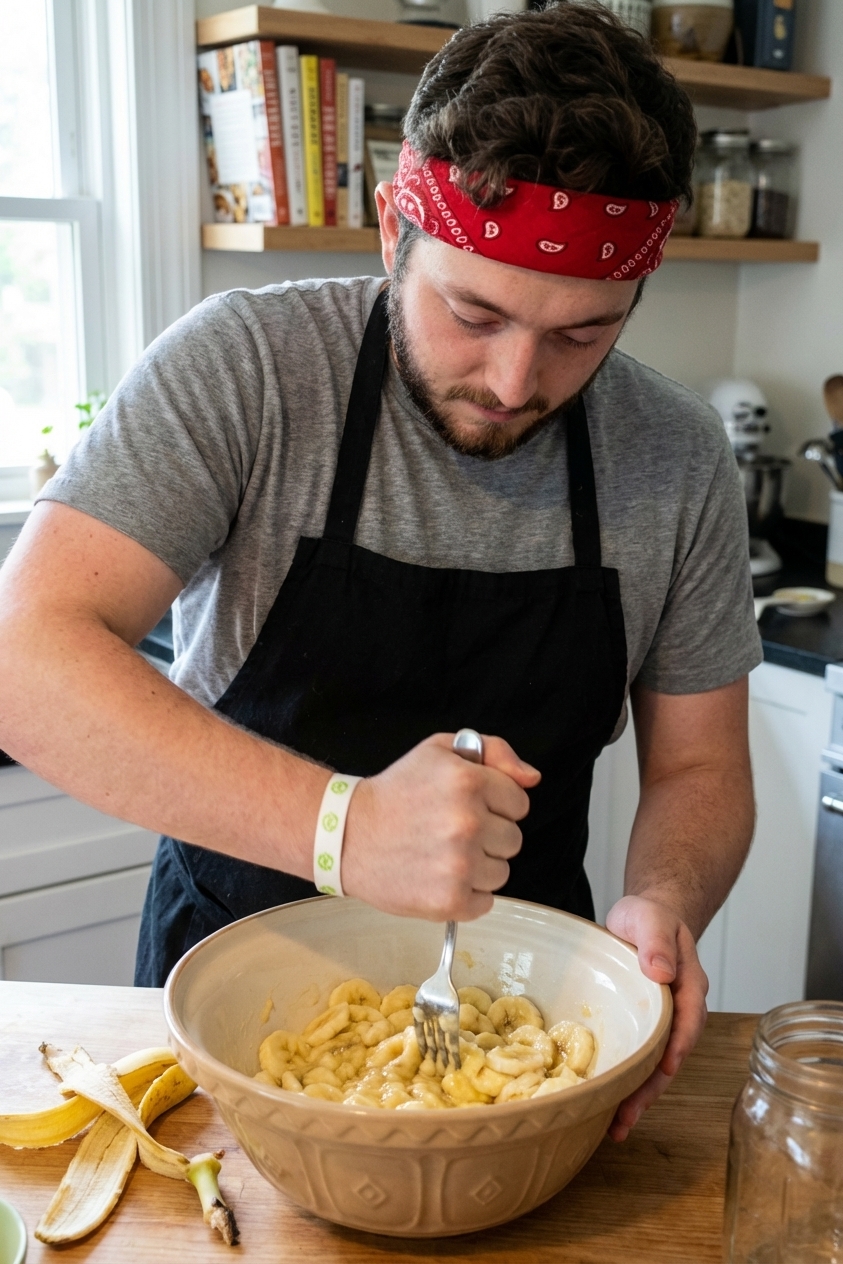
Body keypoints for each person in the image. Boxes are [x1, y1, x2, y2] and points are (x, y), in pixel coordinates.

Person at [0, 3, 760, 1140]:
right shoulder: (246, 370)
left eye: (581, 335)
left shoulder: (676, 454)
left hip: (528, 1031)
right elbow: (26, 657)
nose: (514, 380)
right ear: (394, 229)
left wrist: (663, 904)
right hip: (223, 1004)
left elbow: (702, 765)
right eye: (474, 312)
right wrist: (343, 827)